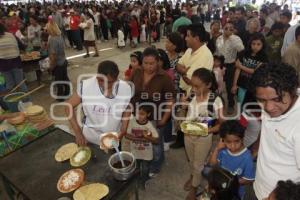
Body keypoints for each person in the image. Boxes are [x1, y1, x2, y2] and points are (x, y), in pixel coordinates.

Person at [249, 63, 300, 200]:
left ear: (293, 90)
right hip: (258, 186)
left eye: (277, 99)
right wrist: (255, 149)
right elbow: (267, 127)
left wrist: (277, 196)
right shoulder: (270, 102)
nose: (269, 108)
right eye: (261, 100)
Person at [129, 47, 175, 177]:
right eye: (145, 63)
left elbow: (171, 98)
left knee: (155, 143)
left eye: (152, 63)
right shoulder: (136, 72)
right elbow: (129, 88)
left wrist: (164, 118)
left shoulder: (164, 77)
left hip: (156, 116)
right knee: (140, 140)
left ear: (158, 62)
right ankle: (142, 161)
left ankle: (156, 165)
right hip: (137, 115)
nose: (148, 66)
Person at [65, 60, 132, 146]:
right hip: (90, 137)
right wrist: (78, 132)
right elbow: (68, 106)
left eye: (110, 82)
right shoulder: (86, 86)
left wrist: (123, 129)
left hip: (114, 136)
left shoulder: (125, 88)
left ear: (116, 78)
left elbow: (127, 107)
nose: (105, 85)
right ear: (97, 76)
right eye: (101, 80)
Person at [182, 68, 224, 200]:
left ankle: (194, 188)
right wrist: (184, 105)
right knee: (191, 159)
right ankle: (193, 177)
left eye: (197, 86)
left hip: (203, 138)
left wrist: (206, 130)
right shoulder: (192, 93)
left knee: (198, 164)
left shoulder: (215, 101)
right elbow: (188, 112)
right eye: (192, 85)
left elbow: (222, 124)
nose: (193, 89)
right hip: (188, 135)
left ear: (209, 85)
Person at [209, 120, 255, 199]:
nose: (233, 146)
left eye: (237, 141)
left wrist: (230, 182)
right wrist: (217, 149)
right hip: (219, 189)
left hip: (234, 194)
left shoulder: (247, 157)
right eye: (228, 142)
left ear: (242, 139)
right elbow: (212, 165)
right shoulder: (222, 150)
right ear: (222, 140)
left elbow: (249, 179)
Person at [121, 105, 159, 188]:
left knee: (145, 169)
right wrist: (144, 139)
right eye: (137, 113)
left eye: (142, 114)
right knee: (136, 168)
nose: (139, 116)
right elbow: (126, 135)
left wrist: (147, 137)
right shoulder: (132, 121)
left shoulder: (149, 125)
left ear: (148, 115)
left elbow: (156, 140)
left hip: (146, 154)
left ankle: (144, 180)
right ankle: (136, 180)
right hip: (135, 152)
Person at [215, 21, 244, 114]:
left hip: (231, 65)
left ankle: (231, 105)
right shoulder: (219, 38)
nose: (227, 30)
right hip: (220, 65)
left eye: (230, 28)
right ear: (222, 28)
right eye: (226, 28)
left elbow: (241, 50)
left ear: (233, 29)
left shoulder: (236, 39)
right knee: (218, 85)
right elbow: (217, 51)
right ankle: (219, 104)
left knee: (229, 86)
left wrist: (231, 37)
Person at [232, 33, 268, 105]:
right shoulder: (243, 53)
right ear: (250, 44)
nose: (255, 46)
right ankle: (240, 116)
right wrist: (234, 85)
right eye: (253, 44)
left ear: (262, 45)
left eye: (258, 44)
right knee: (240, 103)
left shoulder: (264, 57)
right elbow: (237, 70)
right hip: (242, 84)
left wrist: (241, 66)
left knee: (250, 106)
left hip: (254, 86)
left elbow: (256, 71)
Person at [176, 23, 214, 94]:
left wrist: (182, 72)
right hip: (184, 91)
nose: (185, 38)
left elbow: (190, 80)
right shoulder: (189, 49)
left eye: (188, 36)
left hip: (194, 95)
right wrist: (184, 71)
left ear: (196, 38)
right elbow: (178, 64)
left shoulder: (205, 55)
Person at [46, 21, 70, 101]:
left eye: (47, 28)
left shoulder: (53, 39)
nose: (46, 30)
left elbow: (53, 55)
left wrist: (51, 66)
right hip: (63, 60)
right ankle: (67, 92)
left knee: (58, 81)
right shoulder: (59, 36)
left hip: (58, 63)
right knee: (64, 78)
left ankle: (60, 97)